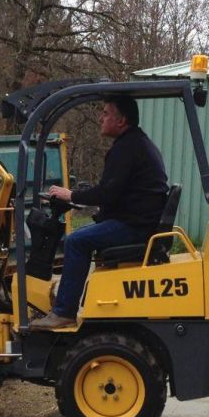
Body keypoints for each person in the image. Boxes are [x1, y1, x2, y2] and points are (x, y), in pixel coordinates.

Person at [30, 95, 168, 330]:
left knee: (76, 241)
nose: (100, 118)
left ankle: (63, 312)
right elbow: (114, 192)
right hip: (138, 221)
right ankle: (63, 302)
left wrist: (70, 195)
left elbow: (107, 193)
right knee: (84, 234)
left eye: (105, 113)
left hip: (135, 227)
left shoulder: (127, 149)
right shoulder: (135, 145)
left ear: (121, 120)